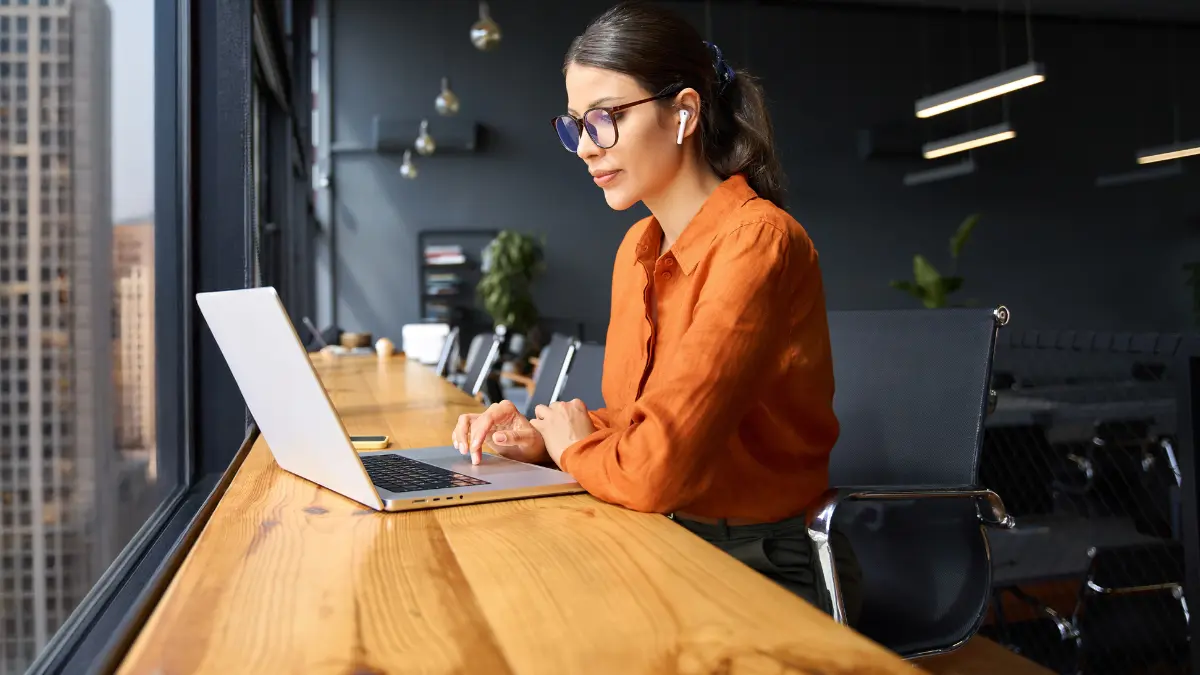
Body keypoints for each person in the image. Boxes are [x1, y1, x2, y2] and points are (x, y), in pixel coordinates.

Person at [450, 1, 861, 625]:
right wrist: (544, 440)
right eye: (576, 125)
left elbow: (657, 470)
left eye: (606, 119)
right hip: (661, 534)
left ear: (684, 114)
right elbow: (647, 420)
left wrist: (572, 450)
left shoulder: (758, 241)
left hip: (759, 567)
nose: (586, 148)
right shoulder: (637, 249)